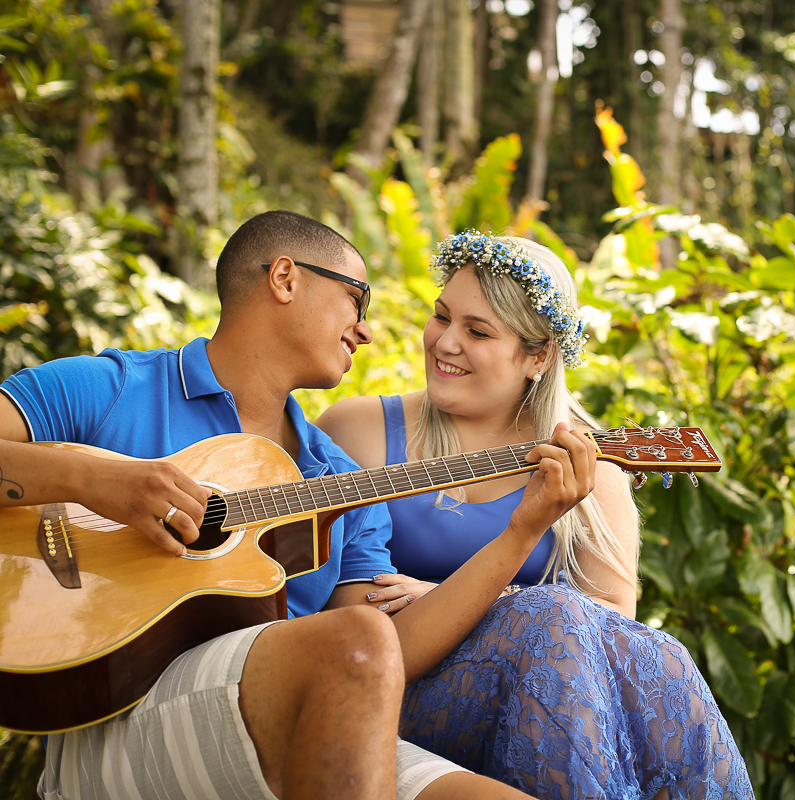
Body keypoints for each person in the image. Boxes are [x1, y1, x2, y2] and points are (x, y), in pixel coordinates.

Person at [0, 211, 594, 800]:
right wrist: (96, 479)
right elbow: (356, 644)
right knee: (354, 637)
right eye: (357, 300)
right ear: (285, 278)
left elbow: (392, 653)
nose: (366, 331)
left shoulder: (339, 479)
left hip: (282, 717)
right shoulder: (114, 390)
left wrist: (521, 532)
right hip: (118, 720)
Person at [316, 231, 753, 800]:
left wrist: (459, 598)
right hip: (398, 687)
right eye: (441, 316)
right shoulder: (359, 431)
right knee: (552, 616)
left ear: (539, 356)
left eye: (477, 331)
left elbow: (613, 631)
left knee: (639, 647)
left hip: (550, 703)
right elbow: (335, 602)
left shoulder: (586, 465)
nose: (445, 342)